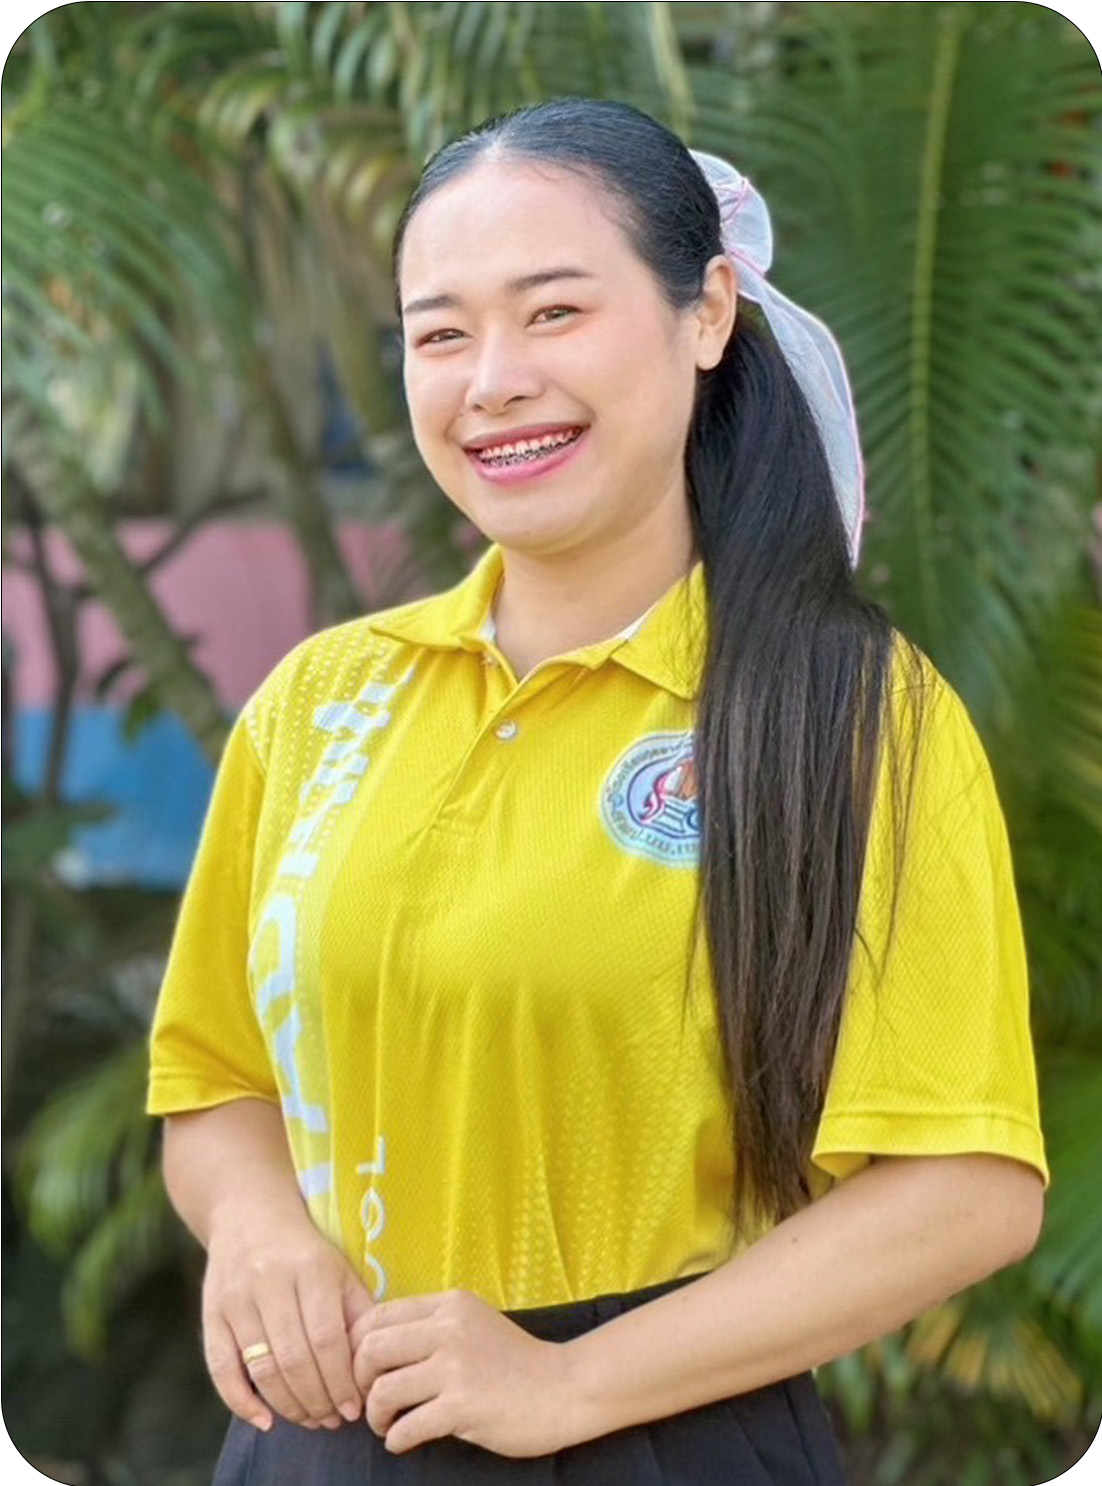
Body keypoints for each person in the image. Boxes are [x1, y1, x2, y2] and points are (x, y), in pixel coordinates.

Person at [146, 97, 1049, 1485]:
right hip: (322, 1439)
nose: (493, 381)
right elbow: (216, 1077)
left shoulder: (853, 716)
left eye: (554, 312)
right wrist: (260, 1235)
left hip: (667, 1436)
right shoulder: (321, 701)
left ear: (707, 313)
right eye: (440, 334)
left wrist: (569, 1379)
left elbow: (966, 1186)